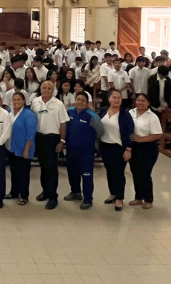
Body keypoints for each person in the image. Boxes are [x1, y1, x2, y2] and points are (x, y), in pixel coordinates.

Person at [30, 80, 69, 210]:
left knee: (52, 168)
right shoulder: (35, 102)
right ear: (40, 89)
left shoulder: (58, 104)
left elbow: (63, 123)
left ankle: (53, 197)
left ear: (53, 90)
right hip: (39, 138)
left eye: (49, 88)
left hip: (53, 139)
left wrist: (62, 141)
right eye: (44, 88)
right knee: (43, 167)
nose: (46, 90)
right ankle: (45, 191)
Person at [63, 91, 103, 210]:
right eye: (78, 99)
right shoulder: (70, 112)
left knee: (86, 174)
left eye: (83, 100)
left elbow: (101, 132)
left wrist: (93, 144)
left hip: (86, 151)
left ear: (87, 103)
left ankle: (88, 199)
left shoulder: (92, 116)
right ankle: (75, 192)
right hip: (71, 149)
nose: (80, 102)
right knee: (72, 172)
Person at [128, 94, 162, 209]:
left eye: (143, 101)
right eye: (138, 100)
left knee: (145, 173)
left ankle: (148, 198)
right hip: (133, 147)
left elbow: (157, 134)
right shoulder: (130, 113)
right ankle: (138, 197)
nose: (140, 103)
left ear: (148, 103)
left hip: (148, 147)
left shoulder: (152, 116)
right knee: (135, 172)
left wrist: (141, 139)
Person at [6, 91, 37, 205]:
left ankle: (24, 195)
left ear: (24, 101)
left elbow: (31, 133)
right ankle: (14, 192)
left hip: (24, 147)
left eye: (19, 100)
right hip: (11, 147)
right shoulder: (8, 112)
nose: (16, 102)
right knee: (14, 171)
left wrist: (27, 149)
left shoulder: (28, 114)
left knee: (24, 173)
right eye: (14, 100)